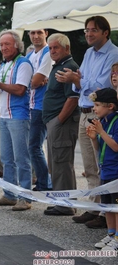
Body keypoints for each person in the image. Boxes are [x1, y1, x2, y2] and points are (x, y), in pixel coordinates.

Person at [56, 16, 118, 228]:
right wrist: (76, 80)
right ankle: (95, 208)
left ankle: (106, 213)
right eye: (86, 30)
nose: (88, 34)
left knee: (104, 163)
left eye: (93, 30)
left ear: (105, 32)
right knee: (90, 166)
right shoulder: (89, 53)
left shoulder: (114, 54)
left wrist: (77, 81)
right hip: (85, 113)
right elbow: (82, 80)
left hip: (101, 115)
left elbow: (102, 87)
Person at [0, 29, 33, 211]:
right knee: (6, 158)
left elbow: (20, 89)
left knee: (21, 158)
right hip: (4, 116)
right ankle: (10, 194)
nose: (3, 48)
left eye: (7, 44)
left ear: (17, 45)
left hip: (19, 116)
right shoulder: (3, 65)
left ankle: (25, 197)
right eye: (1, 45)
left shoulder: (23, 63)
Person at [42, 33, 80, 216]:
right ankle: (61, 201)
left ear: (66, 48)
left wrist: (58, 121)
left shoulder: (69, 68)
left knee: (62, 163)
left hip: (62, 123)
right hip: (55, 122)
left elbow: (73, 98)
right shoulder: (59, 66)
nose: (52, 51)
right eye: (50, 48)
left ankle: (65, 205)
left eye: (56, 47)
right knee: (56, 164)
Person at [87, 88, 118, 251]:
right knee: (107, 206)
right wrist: (94, 138)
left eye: (97, 105)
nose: (94, 108)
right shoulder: (103, 121)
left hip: (116, 173)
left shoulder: (116, 122)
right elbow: (100, 147)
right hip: (105, 171)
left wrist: (101, 132)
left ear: (110, 106)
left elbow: (116, 146)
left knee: (116, 206)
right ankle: (111, 234)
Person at [26, 29, 53, 191]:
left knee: (34, 147)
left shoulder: (48, 52)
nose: (36, 36)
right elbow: (22, 79)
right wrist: (34, 80)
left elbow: (34, 82)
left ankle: (45, 183)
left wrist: (34, 80)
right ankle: (44, 182)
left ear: (46, 33)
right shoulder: (30, 55)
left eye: (39, 32)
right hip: (30, 105)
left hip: (41, 106)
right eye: (32, 33)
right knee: (34, 147)